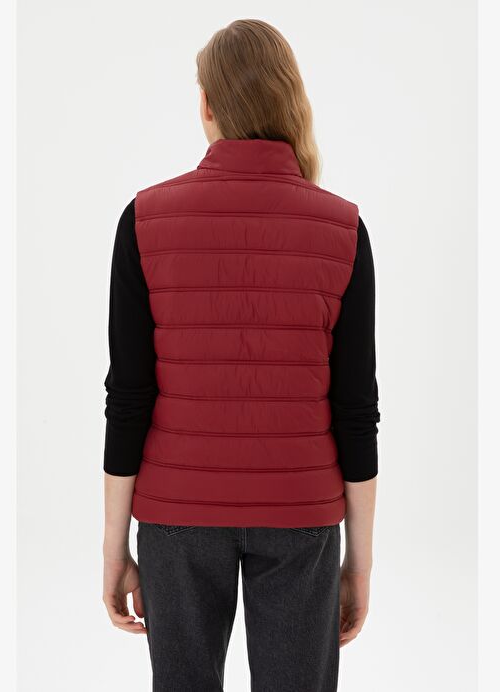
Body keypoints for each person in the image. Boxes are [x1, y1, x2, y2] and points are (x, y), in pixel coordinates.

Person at [102, 18, 380, 692]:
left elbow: (129, 397)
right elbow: (356, 410)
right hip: (301, 512)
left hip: (176, 513)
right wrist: (359, 562)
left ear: (207, 104)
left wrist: (113, 548)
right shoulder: (343, 228)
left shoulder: (144, 220)